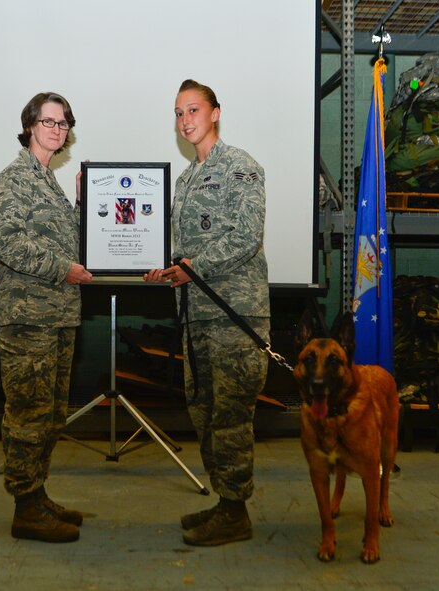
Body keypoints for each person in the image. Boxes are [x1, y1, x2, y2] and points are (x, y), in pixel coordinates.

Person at [143, 79, 270, 546]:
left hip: (235, 314)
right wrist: (167, 269)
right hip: (195, 314)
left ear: (215, 112)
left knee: (232, 416)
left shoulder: (240, 167)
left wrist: (191, 268)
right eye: (178, 113)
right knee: (205, 412)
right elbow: (184, 250)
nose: (185, 120)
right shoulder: (185, 179)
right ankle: (225, 501)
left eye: (193, 110)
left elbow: (245, 237)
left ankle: (236, 512)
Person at [0, 92, 93, 543]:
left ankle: (37, 493)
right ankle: (25, 506)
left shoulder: (48, 182)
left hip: (59, 317)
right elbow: (6, 244)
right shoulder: (13, 180)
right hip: (28, 319)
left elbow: (68, 243)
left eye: (63, 123)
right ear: (30, 125)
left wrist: (85, 204)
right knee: (28, 413)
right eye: (48, 121)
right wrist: (61, 269)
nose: (56, 129)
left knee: (50, 415)